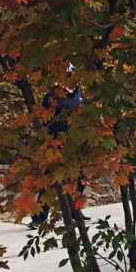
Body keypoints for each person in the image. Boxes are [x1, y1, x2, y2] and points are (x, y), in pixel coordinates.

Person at [29, 81, 88, 229]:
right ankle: (39, 217)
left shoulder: (79, 95)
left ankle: (76, 210)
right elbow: (45, 121)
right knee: (50, 180)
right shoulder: (52, 95)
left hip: (76, 143)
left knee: (79, 177)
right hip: (56, 143)